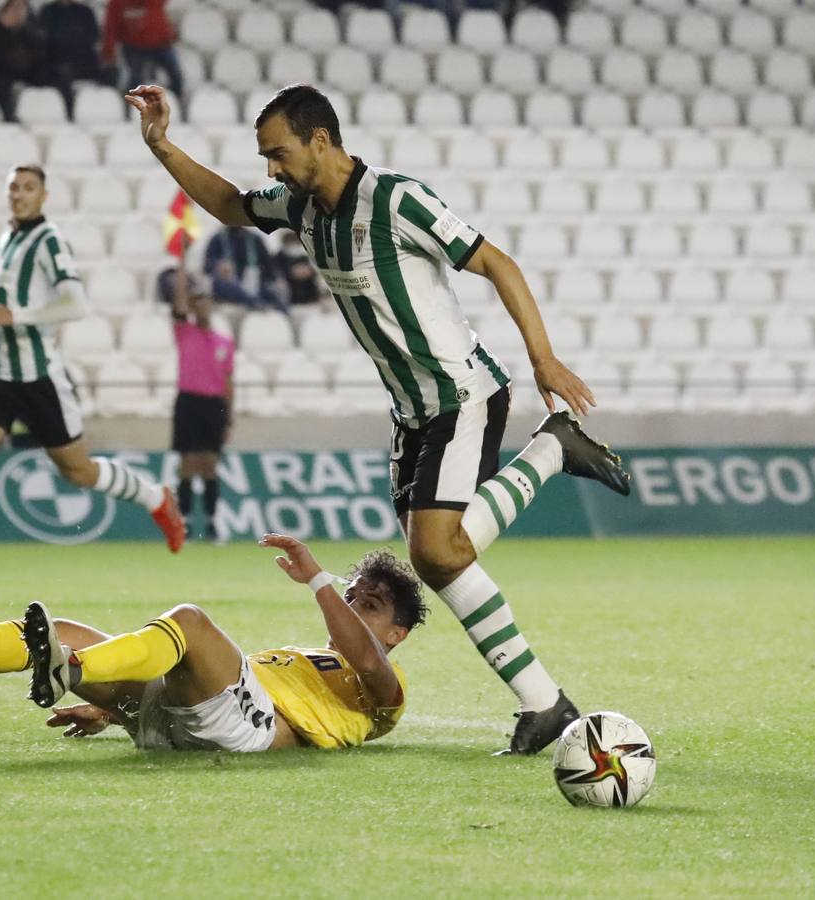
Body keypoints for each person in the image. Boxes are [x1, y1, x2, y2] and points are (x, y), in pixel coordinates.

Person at [126, 82, 632, 756]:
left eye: (278, 154)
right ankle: (551, 454)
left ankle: (543, 701)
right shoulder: (299, 207)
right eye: (264, 157)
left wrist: (542, 358)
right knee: (443, 556)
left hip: (461, 394)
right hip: (410, 414)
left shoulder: (396, 199)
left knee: (435, 552)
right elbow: (228, 204)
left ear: (321, 141)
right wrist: (163, 146)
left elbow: (496, 264)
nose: (270, 169)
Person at [0, 164, 185, 598]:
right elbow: (10, 302)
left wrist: (15, 317)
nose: (19, 194)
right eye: (13, 187)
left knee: (78, 471)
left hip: (39, 379)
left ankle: (155, 498)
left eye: (29, 188)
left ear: (43, 195)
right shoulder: (7, 237)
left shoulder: (48, 240)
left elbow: (76, 302)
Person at [0, 535, 427, 751]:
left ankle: (72, 667)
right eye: (352, 596)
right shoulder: (312, 658)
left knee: (191, 622)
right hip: (181, 718)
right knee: (63, 632)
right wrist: (114, 711)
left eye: (368, 604)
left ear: (398, 634)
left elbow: (364, 654)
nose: (352, 607)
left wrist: (319, 581)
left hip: (246, 730)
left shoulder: (385, 691)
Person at [168, 280, 234, 542]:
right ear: (193, 307)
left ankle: (211, 522)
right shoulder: (185, 332)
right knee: (187, 464)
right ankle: (182, 521)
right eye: (198, 302)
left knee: (209, 464)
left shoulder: (224, 342)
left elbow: (228, 380)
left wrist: (229, 415)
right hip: (189, 402)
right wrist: (181, 265)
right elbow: (178, 303)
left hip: (214, 404)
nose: (203, 306)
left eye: (207, 301)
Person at [39, 0, 108, 118]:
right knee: (63, 74)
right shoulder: (47, 11)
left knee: (110, 72)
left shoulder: (85, 12)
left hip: (84, 61)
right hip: (56, 62)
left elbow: (93, 36)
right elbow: (44, 41)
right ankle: (68, 115)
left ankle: (105, 112)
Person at [101, 0, 183, 98]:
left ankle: (176, 102)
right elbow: (111, 26)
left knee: (176, 75)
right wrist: (108, 50)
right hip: (134, 46)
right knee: (135, 80)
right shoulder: (117, 3)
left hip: (161, 44)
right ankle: (130, 106)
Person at [202, 225, 284, 309]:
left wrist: (277, 280)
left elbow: (268, 266)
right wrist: (219, 265)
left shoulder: (255, 239)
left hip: (254, 282)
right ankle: (254, 302)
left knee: (274, 293)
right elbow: (207, 265)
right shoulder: (217, 239)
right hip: (229, 285)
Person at [275, 230, 326, 308]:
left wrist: (310, 272)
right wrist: (291, 273)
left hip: (309, 297)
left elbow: (315, 271)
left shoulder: (305, 255)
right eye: (290, 241)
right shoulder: (278, 257)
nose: (294, 245)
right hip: (289, 296)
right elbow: (276, 273)